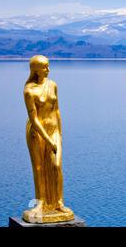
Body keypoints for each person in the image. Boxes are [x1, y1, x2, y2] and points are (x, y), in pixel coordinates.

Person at [23, 55, 74, 223]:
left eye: (48, 66)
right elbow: (34, 119)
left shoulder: (53, 85)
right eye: (44, 67)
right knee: (39, 168)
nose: (48, 70)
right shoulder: (29, 90)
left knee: (56, 165)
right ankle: (41, 203)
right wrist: (47, 138)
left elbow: (57, 110)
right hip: (37, 133)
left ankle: (58, 202)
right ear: (35, 69)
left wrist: (59, 133)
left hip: (54, 131)